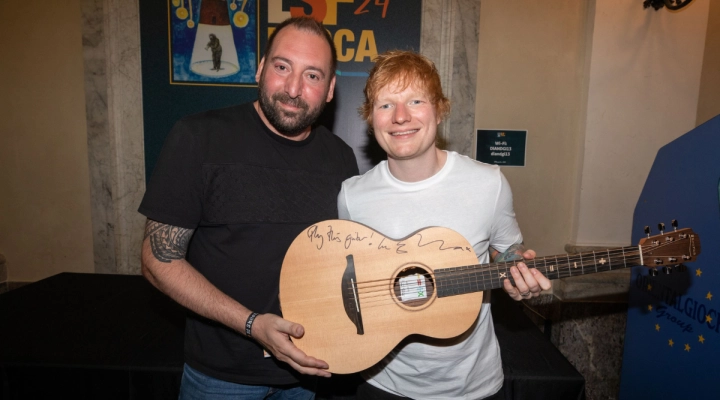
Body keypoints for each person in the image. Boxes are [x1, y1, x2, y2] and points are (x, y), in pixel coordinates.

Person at [139, 17, 358, 399]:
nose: (293, 89)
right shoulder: (198, 137)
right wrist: (251, 324)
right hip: (222, 378)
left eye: (312, 76)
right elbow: (158, 260)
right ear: (260, 69)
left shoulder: (340, 158)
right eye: (282, 67)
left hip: (307, 372)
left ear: (330, 90)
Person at [337, 50, 552, 400]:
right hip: (382, 385)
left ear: (438, 109)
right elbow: (346, 278)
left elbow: (506, 251)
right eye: (385, 104)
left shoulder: (488, 183)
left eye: (415, 101)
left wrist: (517, 274)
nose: (401, 117)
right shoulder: (352, 196)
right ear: (370, 117)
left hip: (472, 387)